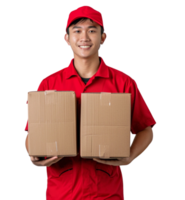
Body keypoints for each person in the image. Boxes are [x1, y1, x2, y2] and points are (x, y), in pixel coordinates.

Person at [23, 5, 158, 199]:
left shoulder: (124, 82)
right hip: (61, 193)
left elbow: (146, 129)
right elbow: (31, 134)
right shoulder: (48, 83)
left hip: (107, 193)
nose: (84, 37)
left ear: (104, 37)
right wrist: (32, 156)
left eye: (92, 30)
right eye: (77, 31)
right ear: (66, 38)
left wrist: (130, 157)